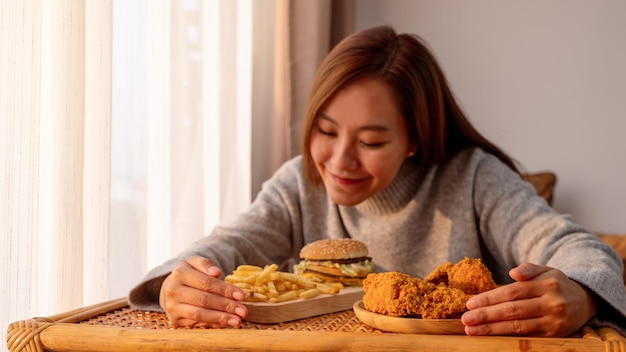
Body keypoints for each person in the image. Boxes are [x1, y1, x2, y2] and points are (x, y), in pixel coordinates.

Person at [129, 25, 626, 337]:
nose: (339, 161)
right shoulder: (298, 186)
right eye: (326, 131)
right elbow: (223, 247)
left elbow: (577, 248)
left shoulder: (474, 178)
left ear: (414, 139)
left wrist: (580, 294)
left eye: (370, 141)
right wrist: (180, 283)